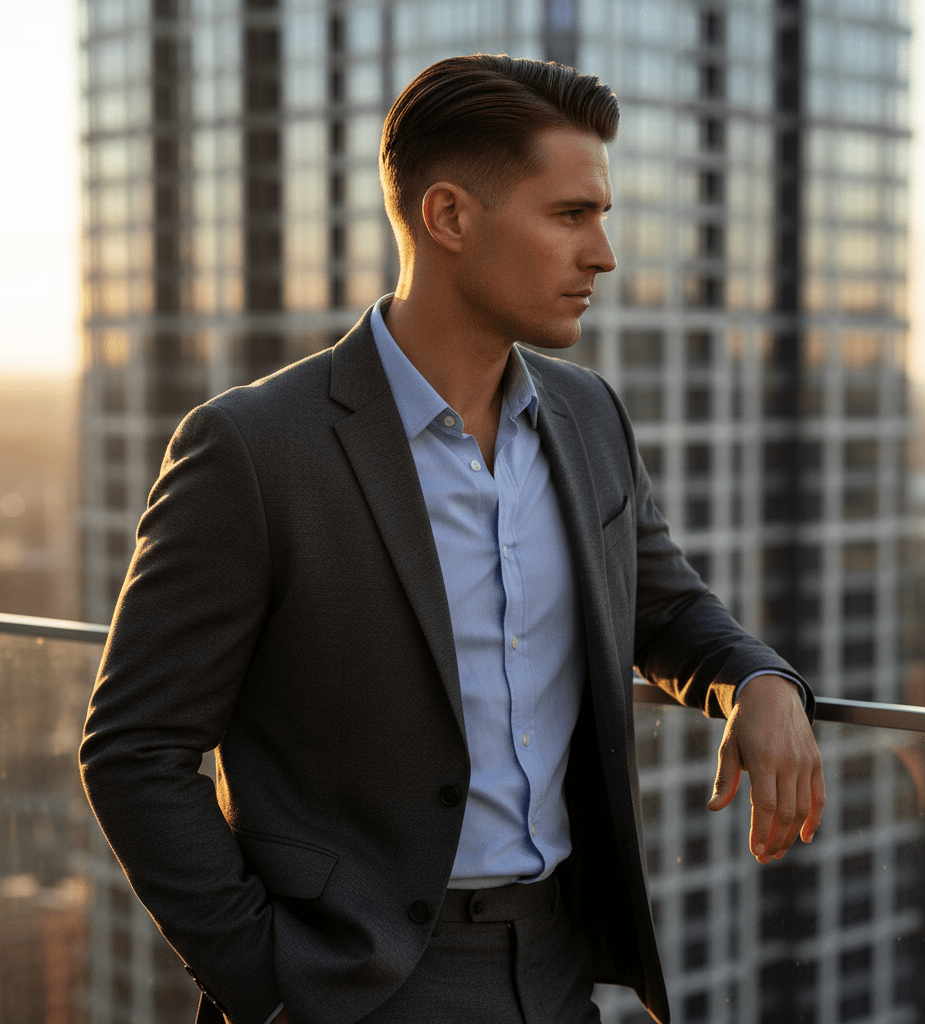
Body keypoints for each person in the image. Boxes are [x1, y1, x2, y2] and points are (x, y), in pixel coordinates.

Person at [81, 54, 825, 1024]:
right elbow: (132, 748)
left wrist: (759, 680)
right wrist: (269, 983)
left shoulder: (588, 414)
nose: (602, 253)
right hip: (353, 984)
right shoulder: (252, 449)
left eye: (599, 215)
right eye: (570, 215)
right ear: (448, 218)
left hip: (557, 969)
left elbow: (666, 603)